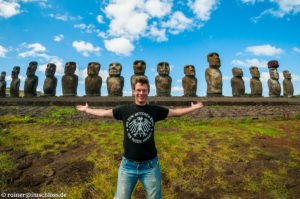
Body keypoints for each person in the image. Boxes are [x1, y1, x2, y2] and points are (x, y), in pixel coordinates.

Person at [76, 76, 203, 199]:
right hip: (128, 165)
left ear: (148, 92)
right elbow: (104, 113)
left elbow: (175, 113)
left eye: (144, 90)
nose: (141, 93)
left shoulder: (154, 110)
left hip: (150, 166)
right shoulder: (124, 110)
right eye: (138, 90)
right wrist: (87, 110)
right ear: (133, 91)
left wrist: (193, 108)